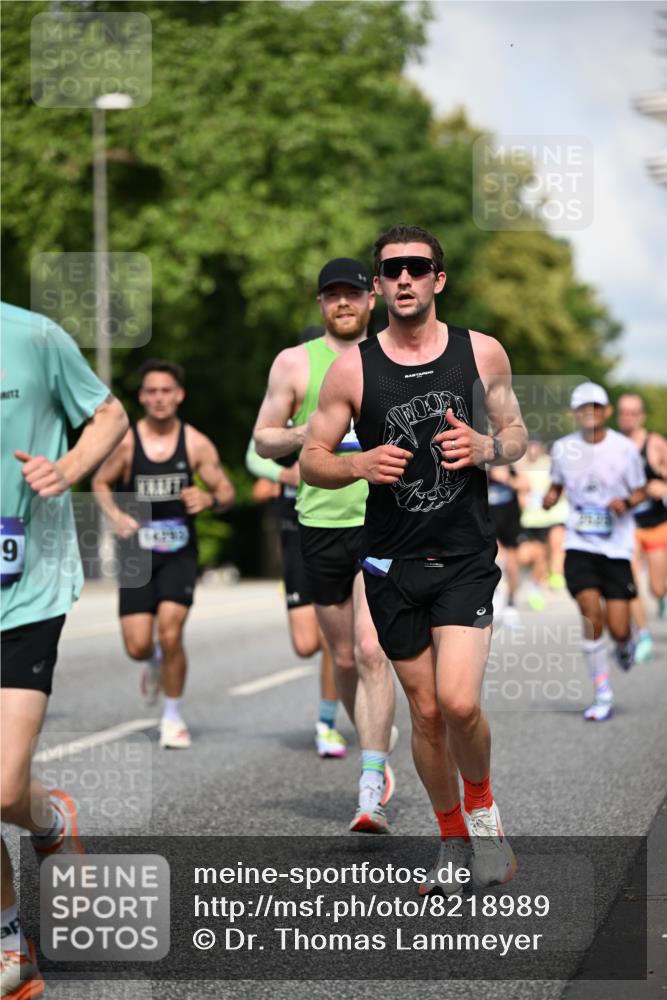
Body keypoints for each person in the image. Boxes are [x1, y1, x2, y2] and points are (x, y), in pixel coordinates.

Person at [300, 224, 528, 892]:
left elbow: (516, 432)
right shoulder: (353, 368)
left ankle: (483, 816)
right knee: (425, 714)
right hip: (389, 564)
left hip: (463, 556)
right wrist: (357, 464)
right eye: (392, 268)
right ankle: (452, 840)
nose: (404, 277)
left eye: (417, 267)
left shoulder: (480, 352)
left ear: (438, 279)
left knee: (458, 702)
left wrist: (488, 449)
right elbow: (311, 459)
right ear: (378, 284)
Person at [1, 301, 128, 998]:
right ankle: (9, 946)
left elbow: (109, 414)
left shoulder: (33, 335)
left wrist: (68, 467)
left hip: (29, 587)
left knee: (1, 787)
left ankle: (50, 820)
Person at [253, 258, 397, 834]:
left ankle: (371, 783)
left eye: (353, 293)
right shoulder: (294, 363)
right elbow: (263, 439)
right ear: (320, 303)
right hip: (319, 522)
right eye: (332, 294)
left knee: (370, 649)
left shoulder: (392, 356)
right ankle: (373, 736)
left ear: (371, 299)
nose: (343, 303)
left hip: (382, 521)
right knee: (341, 658)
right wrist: (309, 433)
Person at [92, 359, 235, 749]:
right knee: (138, 646)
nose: (159, 398)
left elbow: (226, 491)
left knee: (171, 632)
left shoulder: (195, 443)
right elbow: (100, 482)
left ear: (179, 395)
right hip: (136, 554)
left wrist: (208, 498)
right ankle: (153, 660)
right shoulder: (126, 443)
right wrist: (116, 516)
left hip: (178, 553)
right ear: (142, 397)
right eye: (151, 391)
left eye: (166, 391)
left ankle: (173, 718)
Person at [543, 383, 647, 722]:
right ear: (574, 413)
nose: (589, 412)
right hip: (579, 544)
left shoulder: (624, 449)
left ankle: (626, 641)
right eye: (582, 407)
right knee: (591, 613)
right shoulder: (562, 448)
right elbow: (557, 483)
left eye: (595, 406)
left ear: (607, 411)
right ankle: (602, 693)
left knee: (618, 627)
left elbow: (642, 490)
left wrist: (626, 502)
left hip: (616, 548)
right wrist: (551, 497)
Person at [245, 437, 344, 758]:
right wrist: (283, 474)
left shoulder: (343, 410)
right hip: (295, 529)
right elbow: (254, 455)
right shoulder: (287, 414)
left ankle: (326, 724)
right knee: (305, 645)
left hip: (339, 526)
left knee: (332, 638)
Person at [617, 393, 667, 662]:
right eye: (624, 412)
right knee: (631, 580)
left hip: (656, 524)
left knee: (657, 588)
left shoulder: (655, 443)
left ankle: (662, 597)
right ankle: (643, 635)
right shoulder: (612, 445)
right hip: (627, 526)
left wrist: (664, 486)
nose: (628, 417)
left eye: (633, 412)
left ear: (642, 416)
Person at [487, 464, 526, 627]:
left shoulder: (511, 466)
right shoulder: (480, 466)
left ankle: (511, 603)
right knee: (496, 559)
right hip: (489, 522)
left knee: (511, 564)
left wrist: (507, 479)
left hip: (510, 523)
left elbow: (525, 485)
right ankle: (496, 598)